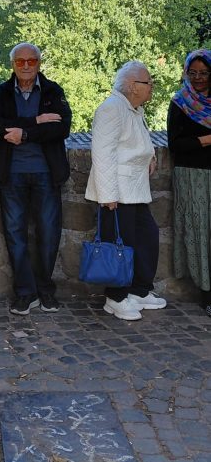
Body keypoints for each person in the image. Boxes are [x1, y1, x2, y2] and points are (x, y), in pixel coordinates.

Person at [0, 43, 71, 315]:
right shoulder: (1, 92)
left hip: (46, 172)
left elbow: (62, 127)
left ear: (38, 63)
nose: (25, 66)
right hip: (11, 173)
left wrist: (25, 133)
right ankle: (25, 293)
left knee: (48, 233)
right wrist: (37, 120)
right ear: (12, 64)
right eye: (20, 61)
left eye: (31, 61)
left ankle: (45, 290)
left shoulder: (53, 91)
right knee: (15, 234)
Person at [85, 60, 166, 321]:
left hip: (135, 190)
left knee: (147, 236)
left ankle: (138, 291)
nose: (152, 86)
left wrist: (150, 157)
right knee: (119, 244)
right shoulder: (112, 108)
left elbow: (134, 143)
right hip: (117, 192)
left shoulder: (133, 108)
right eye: (148, 82)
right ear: (132, 86)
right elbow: (103, 153)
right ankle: (116, 298)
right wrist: (108, 196)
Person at [168, 48, 211, 316]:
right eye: (192, 73)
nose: (198, 78)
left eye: (204, 73)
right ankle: (207, 294)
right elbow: (175, 145)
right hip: (193, 177)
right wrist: (207, 140)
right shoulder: (180, 102)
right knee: (201, 236)